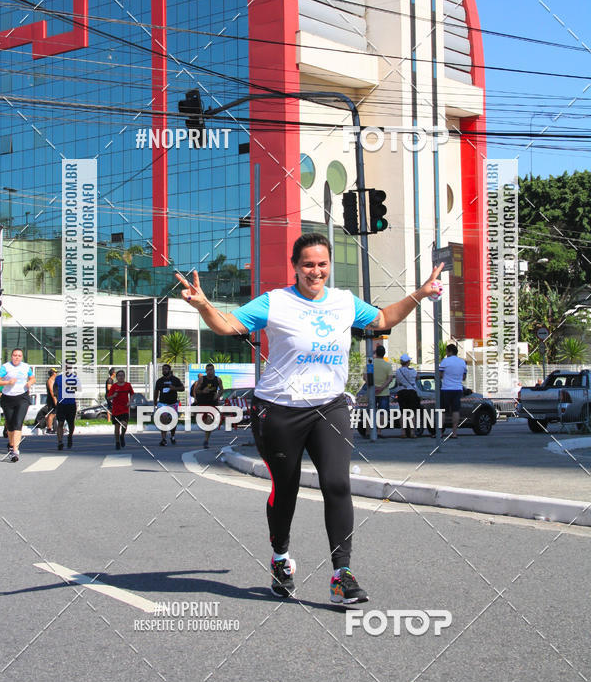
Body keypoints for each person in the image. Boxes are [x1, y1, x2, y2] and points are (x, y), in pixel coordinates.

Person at [177, 232, 443, 604]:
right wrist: (204, 305)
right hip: (278, 409)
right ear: (295, 267)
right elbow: (228, 325)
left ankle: (341, 575)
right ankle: (280, 557)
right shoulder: (275, 302)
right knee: (285, 489)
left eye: (321, 264)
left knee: (337, 483)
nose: (315, 271)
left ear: (329, 266)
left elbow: (383, 318)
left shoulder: (344, 302)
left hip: (329, 408)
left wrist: (420, 293)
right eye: (307, 265)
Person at [0, 348, 36, 462]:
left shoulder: (26, 367)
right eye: (15, 355)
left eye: (19, 356)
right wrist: (7, 382)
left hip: (22, 397)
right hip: (7, 398)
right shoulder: (6, 367)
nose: (17, 357)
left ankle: (15, 450)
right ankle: (11, 445)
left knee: (18, 423)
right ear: (11, 356)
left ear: (22, 357)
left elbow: (32, 378)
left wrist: (29, 382)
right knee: (10, 424)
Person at [439, 343, 467, 438]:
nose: (446, 353)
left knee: (442, 411)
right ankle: (454, 432)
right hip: (458, 389)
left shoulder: (445, 361)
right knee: (455, 411)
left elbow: (440, 375)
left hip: (446, 389)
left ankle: (440, 432)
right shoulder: (462, 362)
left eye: (446, 351)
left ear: (450, 351)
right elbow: (464, 377)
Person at [193, 364, 223, 449]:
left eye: (211, 370)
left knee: (209, 421)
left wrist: (218, 395)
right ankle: (206, 432)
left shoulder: (218, 379)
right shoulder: (202, 379)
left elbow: (221, 389)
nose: (209, 372)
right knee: (204, 423)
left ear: (214, 370)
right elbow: (196, 390)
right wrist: (203, 391)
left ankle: (206, 441)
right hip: (202, 403)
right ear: (206, 371)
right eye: (208, 370)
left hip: (212, 403)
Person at [154, 363, 185, 446]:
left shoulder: (175, 379)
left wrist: (174, 388)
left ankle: (172, 436)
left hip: (173, 403)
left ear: (169, 370)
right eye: (163, 369)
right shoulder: (159, 381)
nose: (164, 370)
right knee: (163, 419)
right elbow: (156, 391)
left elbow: (182, 388)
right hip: (162, 403)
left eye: (166, 369)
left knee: (173, 421)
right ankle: (163, 439)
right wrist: (155, 402)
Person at [106, 370, 134, 449]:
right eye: (119, 375)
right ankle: (117, 442)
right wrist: (113, 396)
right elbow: (108, 397)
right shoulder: (114, 386)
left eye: (122, 375)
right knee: (117, 427)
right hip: (116, 409)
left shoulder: (128, 385)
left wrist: (130, 402)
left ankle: (122, 436)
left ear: (124, 376)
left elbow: (132, 394)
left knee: (124, 424)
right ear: (116, 377)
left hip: (125, 408)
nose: (121, 377)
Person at [395, 354, 420, 438]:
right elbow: (417, 378)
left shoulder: (398, 371)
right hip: (412, 392)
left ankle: (403, 432)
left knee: (402, 412)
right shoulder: (413, 371)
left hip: (402, 392)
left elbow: (397, 380)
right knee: (412, 412)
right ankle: (412, 432)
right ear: (408, 362)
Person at [53, 370, 79, 450]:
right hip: (61, 403)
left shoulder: (74, 378)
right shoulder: (58, 378)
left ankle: (70, 436)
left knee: (71, 423)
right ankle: (60, 442)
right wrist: (56, 395)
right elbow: (55, 387)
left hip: (71, 403)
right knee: (60, 422)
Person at [45, 369, 57, 434]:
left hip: (54, 398)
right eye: (55, 372)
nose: (56, 373)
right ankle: (49, 428)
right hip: (51, 399)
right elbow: (51, 391)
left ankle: (52, 428)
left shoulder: (53, 380)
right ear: (53, 373)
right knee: (52, 414)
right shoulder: (50, 381)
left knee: (53, 414)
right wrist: (55, 399)